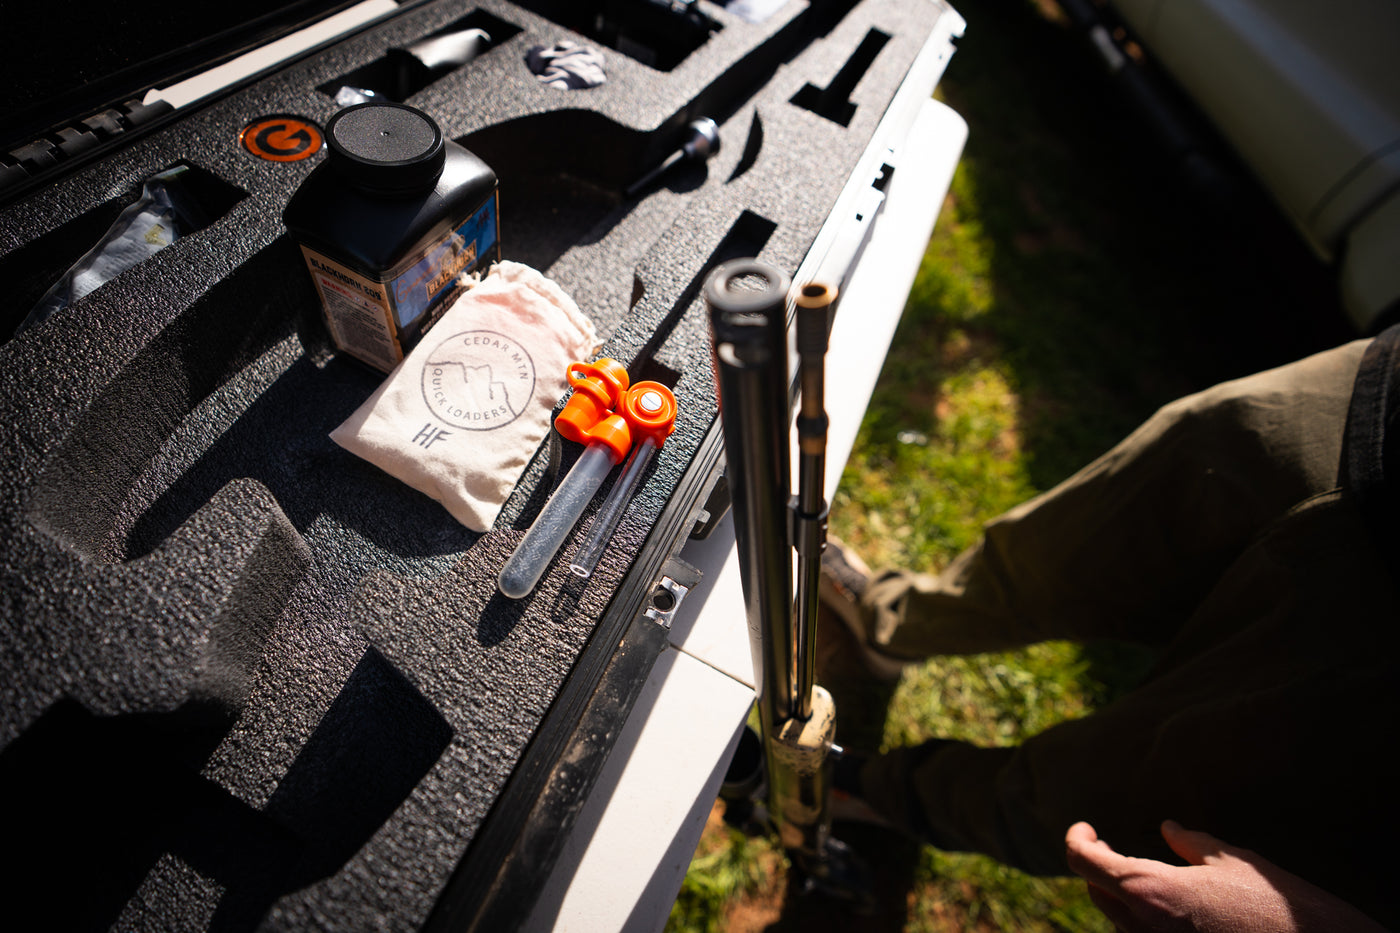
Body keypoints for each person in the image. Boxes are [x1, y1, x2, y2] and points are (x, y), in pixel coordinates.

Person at [821, 329, 1400, 930]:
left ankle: (878, 793)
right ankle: (892, 622)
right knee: (1053, 556)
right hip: (1371, 407)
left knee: (1109, 798)